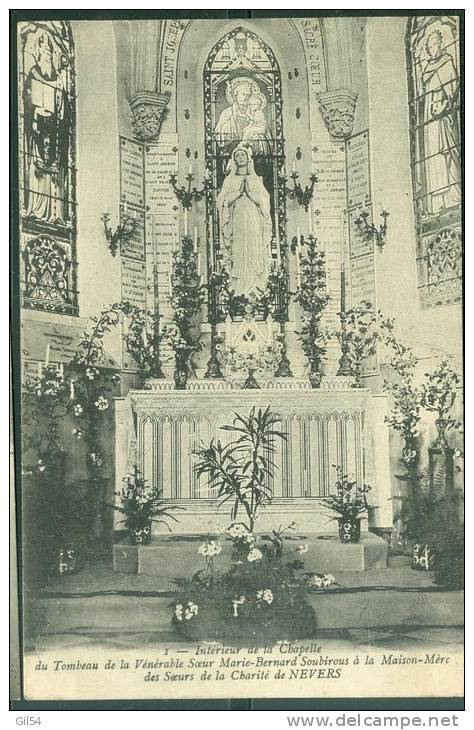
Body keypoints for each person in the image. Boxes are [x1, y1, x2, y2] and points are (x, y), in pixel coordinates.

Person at [24, 30, 70, 222]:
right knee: (38, 169)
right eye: (45, 52)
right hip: (38, 129)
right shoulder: (33, 73)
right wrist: (35, 111)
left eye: (50, 53)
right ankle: (35, 209)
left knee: (54, 173)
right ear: (39, 53)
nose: (48, 55)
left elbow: (65, 108)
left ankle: (55, 214)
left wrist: (60, 100)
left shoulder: (58, 80)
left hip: (54, 130)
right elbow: (27, 100)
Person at [217, 145, 272, 297]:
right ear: (234, 159)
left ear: (248, 158)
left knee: (254, 248)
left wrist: (250, 194)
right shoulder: (229, 181)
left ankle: (255, 286)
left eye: (242, 155)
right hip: (237, 219)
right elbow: (222, 202)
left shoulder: (256, 179)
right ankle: (239, 288)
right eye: (237, 156)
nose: (240, 158)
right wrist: (238, 193)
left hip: (254, 219)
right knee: (239, 249)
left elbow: (264, 201)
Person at [421, 29, 460, 213]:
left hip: (445, 117)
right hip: (431, 121)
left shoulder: (448, 63)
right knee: (434, 156)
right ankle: (437, 204)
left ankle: (455, 196)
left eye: (435, 44)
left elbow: (454, 92)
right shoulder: (427, 70)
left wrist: (443, 107)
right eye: (429, 46)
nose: (433, 48)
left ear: (441, 44)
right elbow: (425, 99)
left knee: (449, 153)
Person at [213, 77, 259, 149]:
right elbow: (218, 135)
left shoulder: (254, 113)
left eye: (248, 95)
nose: (245, 98)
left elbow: (264, 132)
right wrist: (231, 125)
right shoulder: (227, 113)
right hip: (230, 149)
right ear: (236, 95)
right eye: (243, 94)